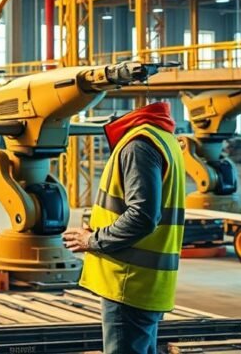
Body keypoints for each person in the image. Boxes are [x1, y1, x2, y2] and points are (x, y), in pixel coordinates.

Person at [62, 101, 186, 354]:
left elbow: (142, 216)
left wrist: (93, 240)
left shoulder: (138, 145)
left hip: (128, 280)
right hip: (148, 280)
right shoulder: (165, 139)